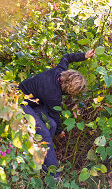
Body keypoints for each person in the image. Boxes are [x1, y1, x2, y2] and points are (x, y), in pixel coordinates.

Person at [19, 49, 94, 179]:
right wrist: (60, 133)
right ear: (70, 89)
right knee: (45, 133)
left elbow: (66, 57)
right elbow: (55, 115)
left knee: (51, 125)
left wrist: (84, 56)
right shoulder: (54, 95)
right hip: (21, 103)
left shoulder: (60, 71)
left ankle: (41, 154)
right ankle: (54, 176)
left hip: (34, 102)